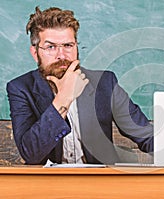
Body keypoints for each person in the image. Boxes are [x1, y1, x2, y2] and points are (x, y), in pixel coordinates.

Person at [6, 6, 153, 165]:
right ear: (35, 53)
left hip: (98, 182)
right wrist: (63, 98)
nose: (61, 55)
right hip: (48, 184)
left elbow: (146, 135)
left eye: (68, 45)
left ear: (76, 46)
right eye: (51, 47)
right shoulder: (20, 88)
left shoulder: (104, 83)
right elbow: (31, 154)